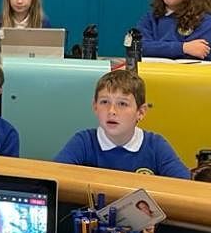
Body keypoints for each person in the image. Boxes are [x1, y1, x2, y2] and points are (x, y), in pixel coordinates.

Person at [54, 69, 190, 179]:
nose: (112, 111)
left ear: (141, 112)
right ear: (95, 107)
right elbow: (53, 178)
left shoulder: (156, 146)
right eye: (104, 102)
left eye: (122, 104)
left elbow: (186, 186)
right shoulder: (83, 142)